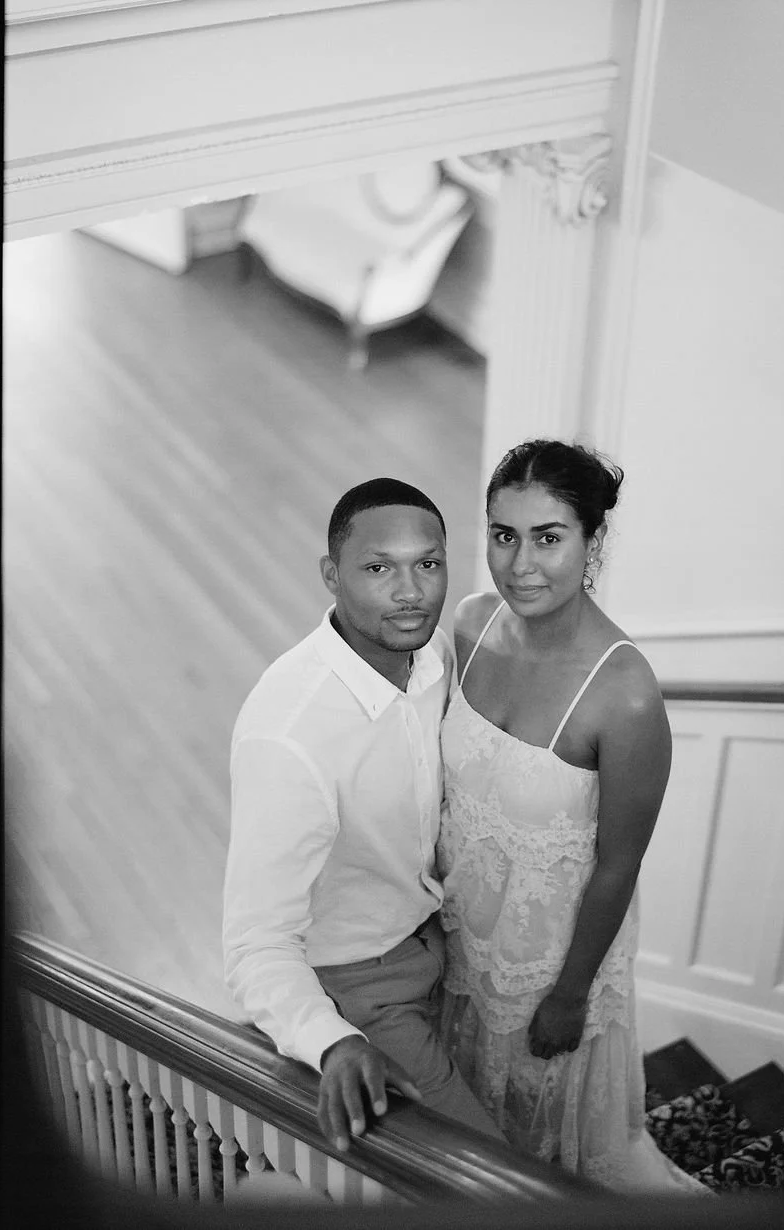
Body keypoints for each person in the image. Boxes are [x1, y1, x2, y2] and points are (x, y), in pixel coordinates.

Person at [436, 440, 709, 1194]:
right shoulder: (470, 625)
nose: (521, 564)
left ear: (593, 540)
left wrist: (567, 995)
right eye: (503, 535)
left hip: (548, 965)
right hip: (460, 938)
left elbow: (620, 863)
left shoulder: (624, 696)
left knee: (542, 1151)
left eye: (548, 538)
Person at [222, 478, 502, 1155]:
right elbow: (255, 940)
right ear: (332, 575)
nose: (411, 592)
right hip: (358, 988)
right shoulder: (290, 732)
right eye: (379, 568)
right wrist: (333, 1041)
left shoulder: (432, 656)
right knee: (499, 1179)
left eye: (428, 564)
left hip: (439, 947)